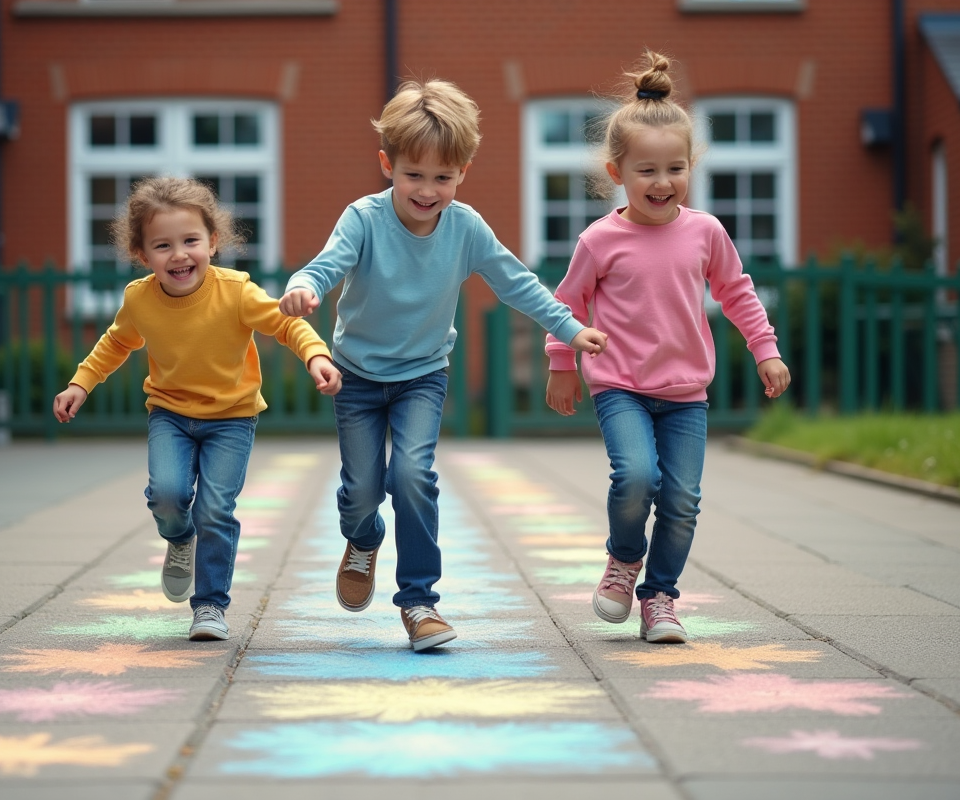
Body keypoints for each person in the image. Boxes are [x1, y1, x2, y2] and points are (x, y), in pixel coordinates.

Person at [279, 79, 609, 651]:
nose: (428, 191)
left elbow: (517, 284)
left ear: (463, 173)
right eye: (414, 175)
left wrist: (570, 328)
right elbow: (326, 265)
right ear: (387, 165)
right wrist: (304, 287)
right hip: (357, 376)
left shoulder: (466, 227)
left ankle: (419, 602)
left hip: (422, 377)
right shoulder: (363, 219)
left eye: (443, 177)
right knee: (360, 493)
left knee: (412, 476)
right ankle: (363, 538)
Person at [545, 51, 791, 644]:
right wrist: (562, 364)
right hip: (621, 386)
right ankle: (624, 558)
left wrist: (765, 349)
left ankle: (659, 597)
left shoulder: (706, 231)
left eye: (675, 169)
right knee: (636, 476)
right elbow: (566, 304)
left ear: (691, 167)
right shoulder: (600, 240)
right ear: (617, 172)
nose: (662, 183)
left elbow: (736, 292)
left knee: (681, 500)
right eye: (647, 171)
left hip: (685, 393)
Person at [53, 176, 341, 642]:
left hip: (231, 418)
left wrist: (316, 357)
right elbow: (116, 342)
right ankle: (179, 537)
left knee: (216, 509)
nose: (179, 255)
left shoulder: (236, 291)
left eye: (190, 241)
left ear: (213, 241)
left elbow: (287, 325)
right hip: (170, 414)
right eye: (162, 245)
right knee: (167, 496)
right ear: (142, 255)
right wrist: (80, 384)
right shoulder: (139, 298)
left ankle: (209, 605)